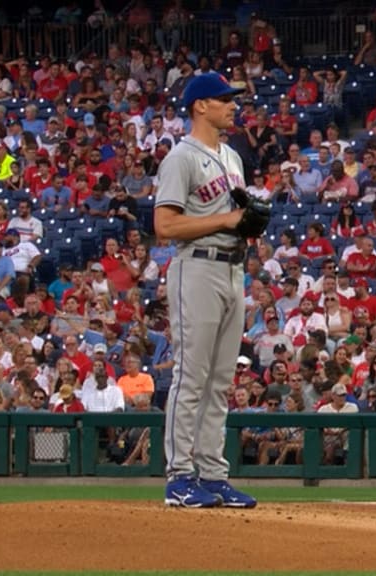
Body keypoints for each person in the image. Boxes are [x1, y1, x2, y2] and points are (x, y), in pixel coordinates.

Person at [153, 72, 257, 509]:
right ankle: (180, 476)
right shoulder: (181, 157)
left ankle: (213, 475)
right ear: (200, 106)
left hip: (233, 270)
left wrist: (249, 222)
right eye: (223, 99)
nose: (232, 105)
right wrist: (226, 221)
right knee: (191, 378)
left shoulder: (232, 155)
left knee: (220, 382)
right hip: (195, 269)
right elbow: (165, 227)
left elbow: (233, 215)